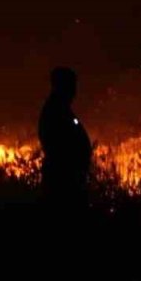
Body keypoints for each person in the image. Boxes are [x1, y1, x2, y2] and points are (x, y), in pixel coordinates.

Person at [38, 66, 92, 210]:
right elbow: (58, 146)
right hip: (63, 182)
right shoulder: (55, 112)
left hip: (68, 179)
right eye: (72, 85)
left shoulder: (61, 110)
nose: (75, 91)